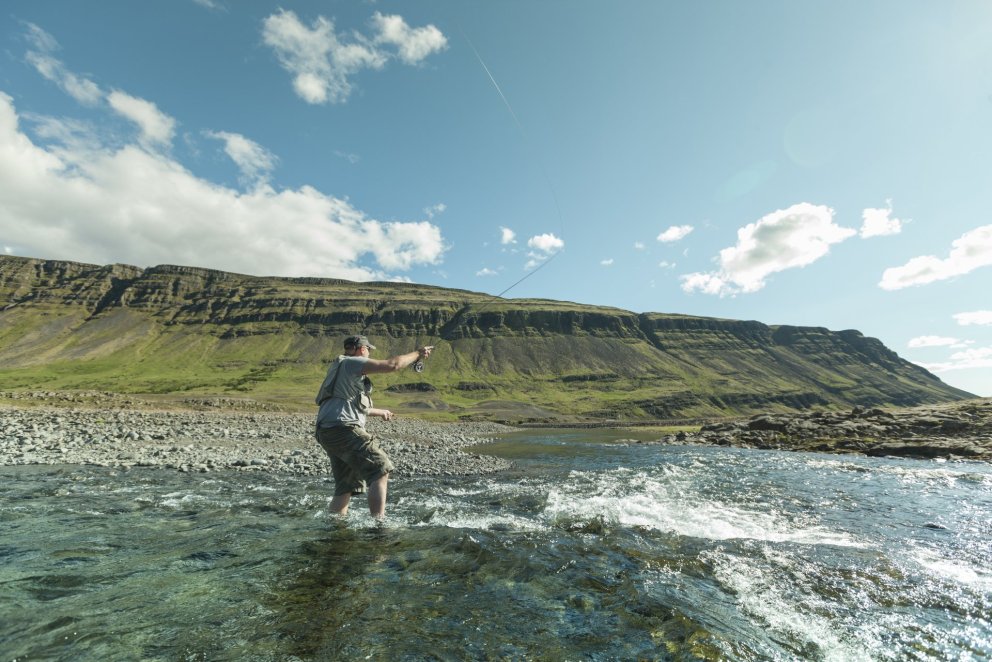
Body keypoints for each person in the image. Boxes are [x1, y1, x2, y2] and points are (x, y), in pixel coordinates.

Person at [314, 334, 433, 519]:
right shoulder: (353, 363)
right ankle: (378, 526)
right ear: (362, 349)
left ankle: (335, 526)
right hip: (343, 428)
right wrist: (418, 354)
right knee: (380, 469)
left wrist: (381, 411)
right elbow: (393, 365)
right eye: (368, 350)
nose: (368, 354)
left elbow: (351, 405)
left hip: (327, 431)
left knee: (346, 486)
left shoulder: (339, 367)